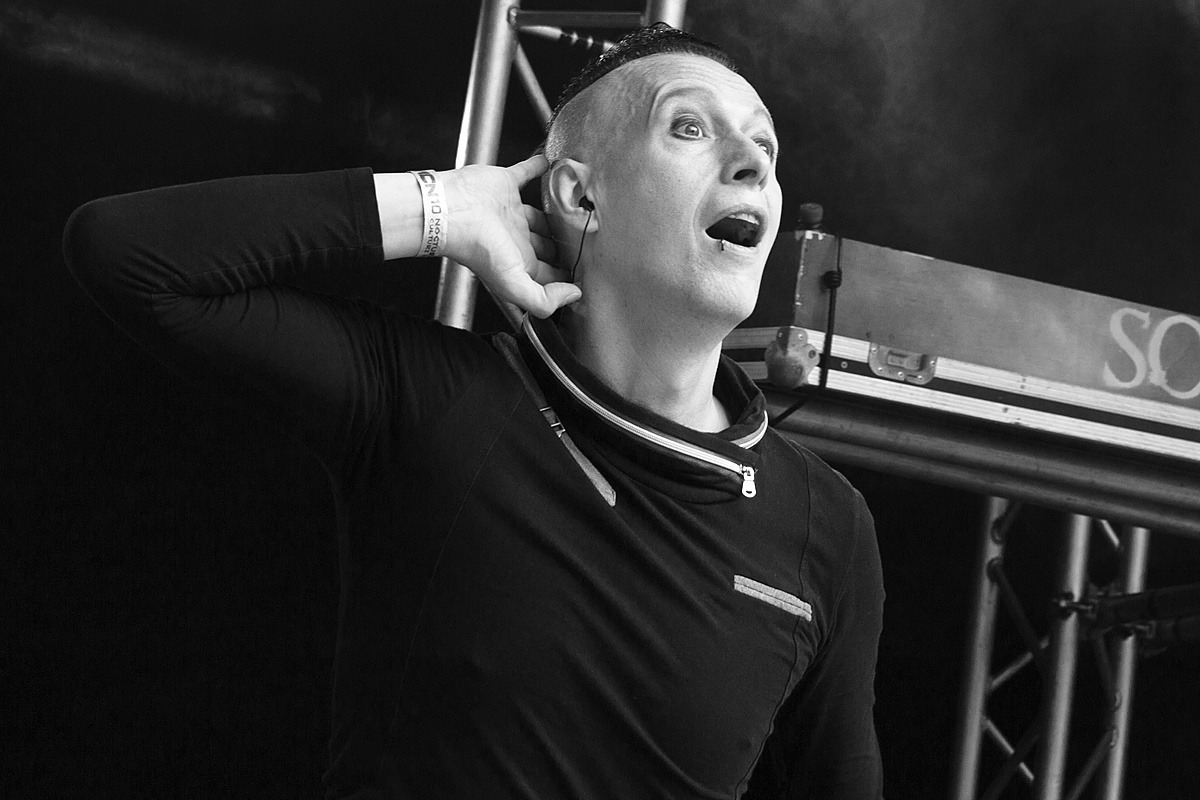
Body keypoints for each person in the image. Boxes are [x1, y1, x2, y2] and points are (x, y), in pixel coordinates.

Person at [65, 23, 884, 800]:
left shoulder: (827, 525)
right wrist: (439, 208)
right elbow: (129, 255)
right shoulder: (439, 401)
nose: (753, 163)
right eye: (690, 129)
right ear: (579, 195)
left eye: (766, 146)